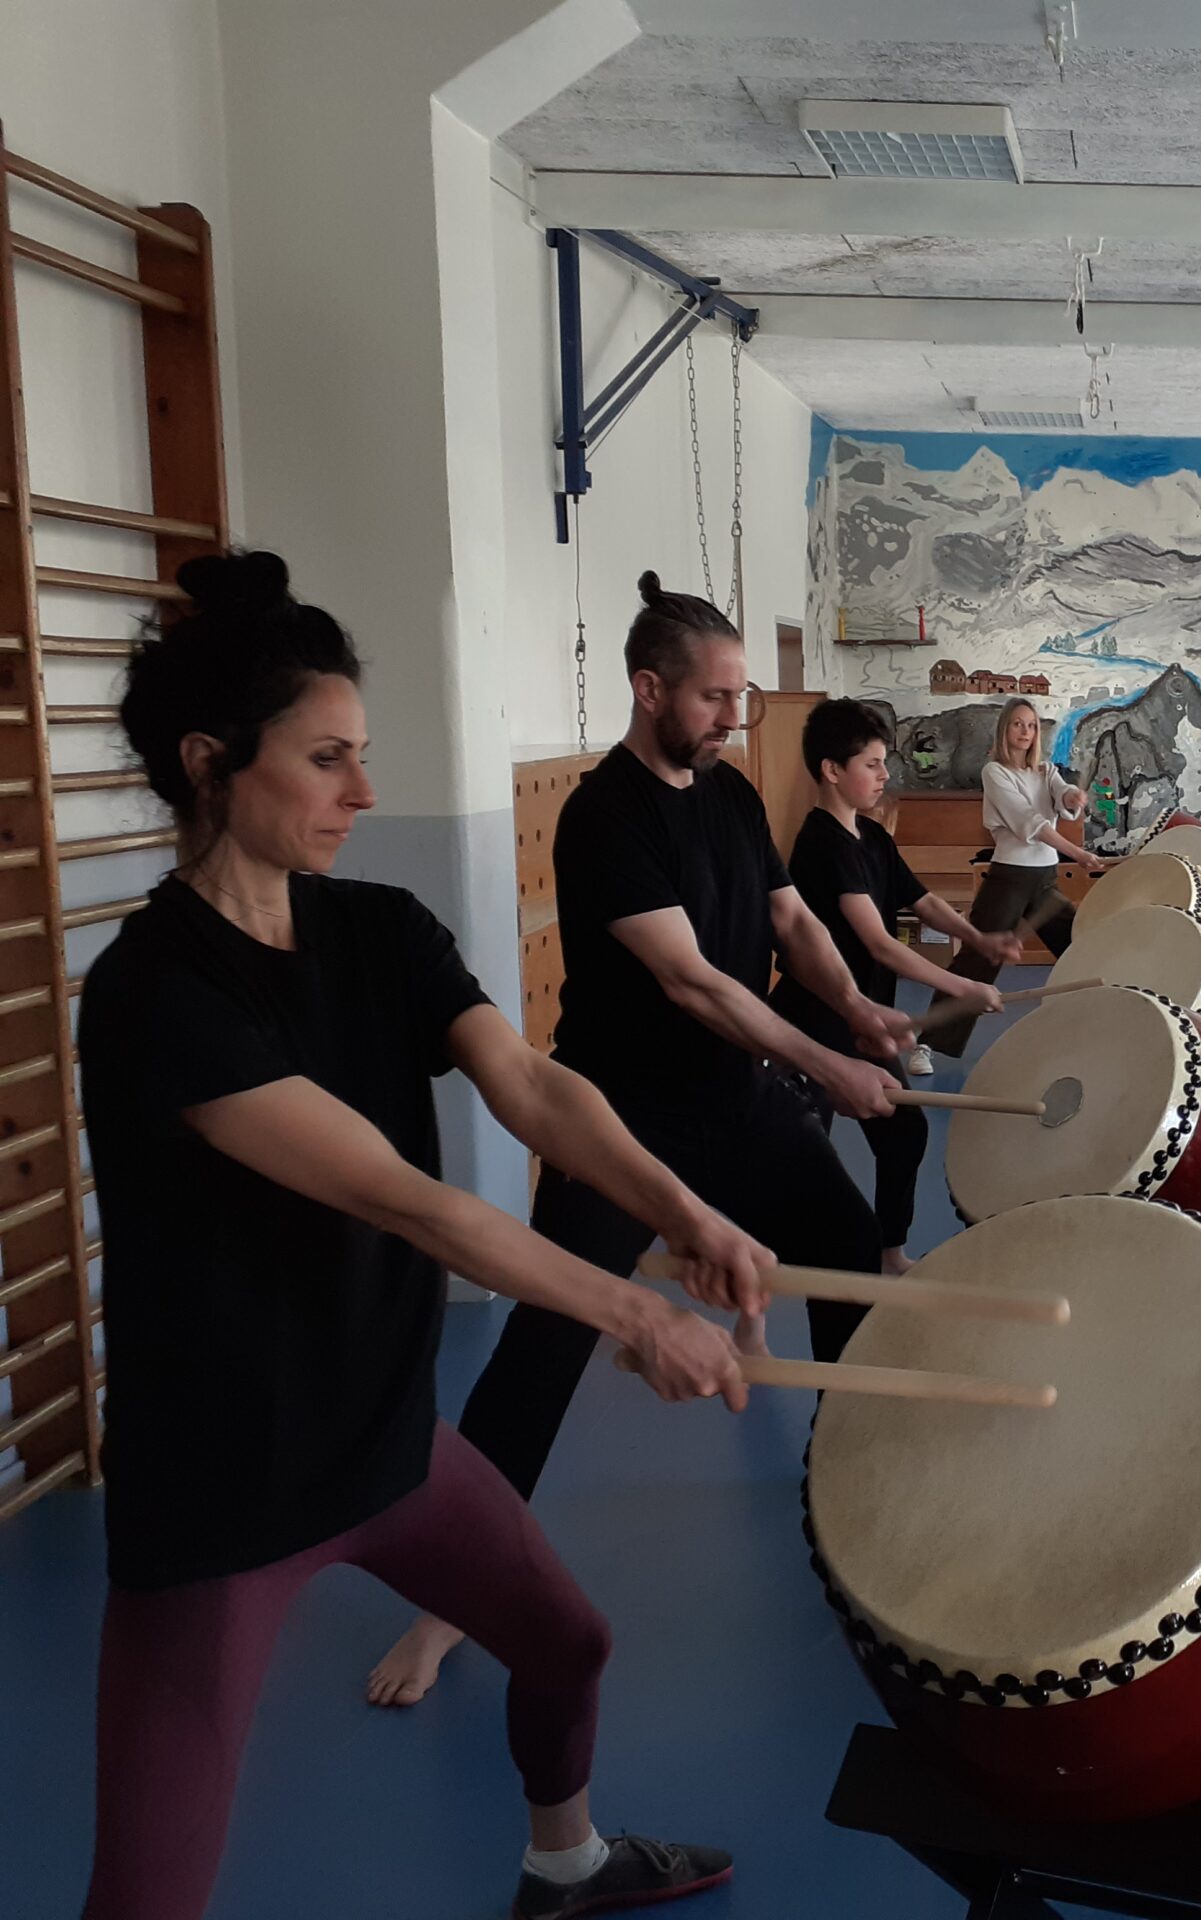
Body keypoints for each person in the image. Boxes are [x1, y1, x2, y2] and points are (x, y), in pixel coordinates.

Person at [81, 552, 753, 1920]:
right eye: (327, 760)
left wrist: (681, 1212)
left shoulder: (379, 928)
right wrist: (634, 1311)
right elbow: (405, 1199)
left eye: (364, 755)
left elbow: (534, 1088)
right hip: (224, 1485)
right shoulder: (153, 991)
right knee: (146, 1893)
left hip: (383, 1437)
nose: (365, 793)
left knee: (566, 1642)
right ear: (211, 763)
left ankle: (564, 1865)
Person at [372, 574, 908, 1704]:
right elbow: (693, 983)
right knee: (545, 1343)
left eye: (740, 698)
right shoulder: (602, 815)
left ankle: (856, 1489)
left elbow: (791, 921)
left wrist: (859, 1010)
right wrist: (828, 1064)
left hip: (736, 1100)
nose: (732, 719)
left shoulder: (728, 795)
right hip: (622, 1117)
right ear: (649, 689)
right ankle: (448, 1603)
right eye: (714, 698)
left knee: (848, 1244)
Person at [775, 698, 1021, 1273]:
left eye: (884, 762)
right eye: (872, 764)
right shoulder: (821, 842)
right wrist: (961, 986)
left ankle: (888, 1254)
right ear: (831, 770)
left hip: (864, 1020)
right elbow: (879, 944)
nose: (885, 774)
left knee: (903, 1133)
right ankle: (793, 1268)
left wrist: (976, 937)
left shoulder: (871, 837)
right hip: (814, 1019)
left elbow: (922, 901)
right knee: (806, 1151)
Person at [923, 696, 1103, 1060]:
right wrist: (1079, 854)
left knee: (1079, 945)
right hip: (1009, 879)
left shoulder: (1045, 771)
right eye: (1018, 724)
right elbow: (1030, 823)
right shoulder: (995, 773)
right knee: (977, 959)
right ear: (1005, 729)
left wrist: (1072, 796)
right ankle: (927, 1043)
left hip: (1045, 880)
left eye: (1032, 725)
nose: (1025, 731)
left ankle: (1101, 1025)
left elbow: (1061, 795)